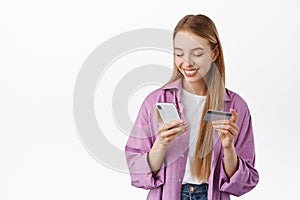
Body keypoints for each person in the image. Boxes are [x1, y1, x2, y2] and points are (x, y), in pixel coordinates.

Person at [125, 14, 259, 200]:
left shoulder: (235, 106)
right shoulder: (155, 101)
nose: (187, 62)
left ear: (214, 53)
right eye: (179, 53)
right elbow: (136, 171)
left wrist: (228, 148)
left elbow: (244, 182)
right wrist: (160, 144)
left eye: (197, 53)